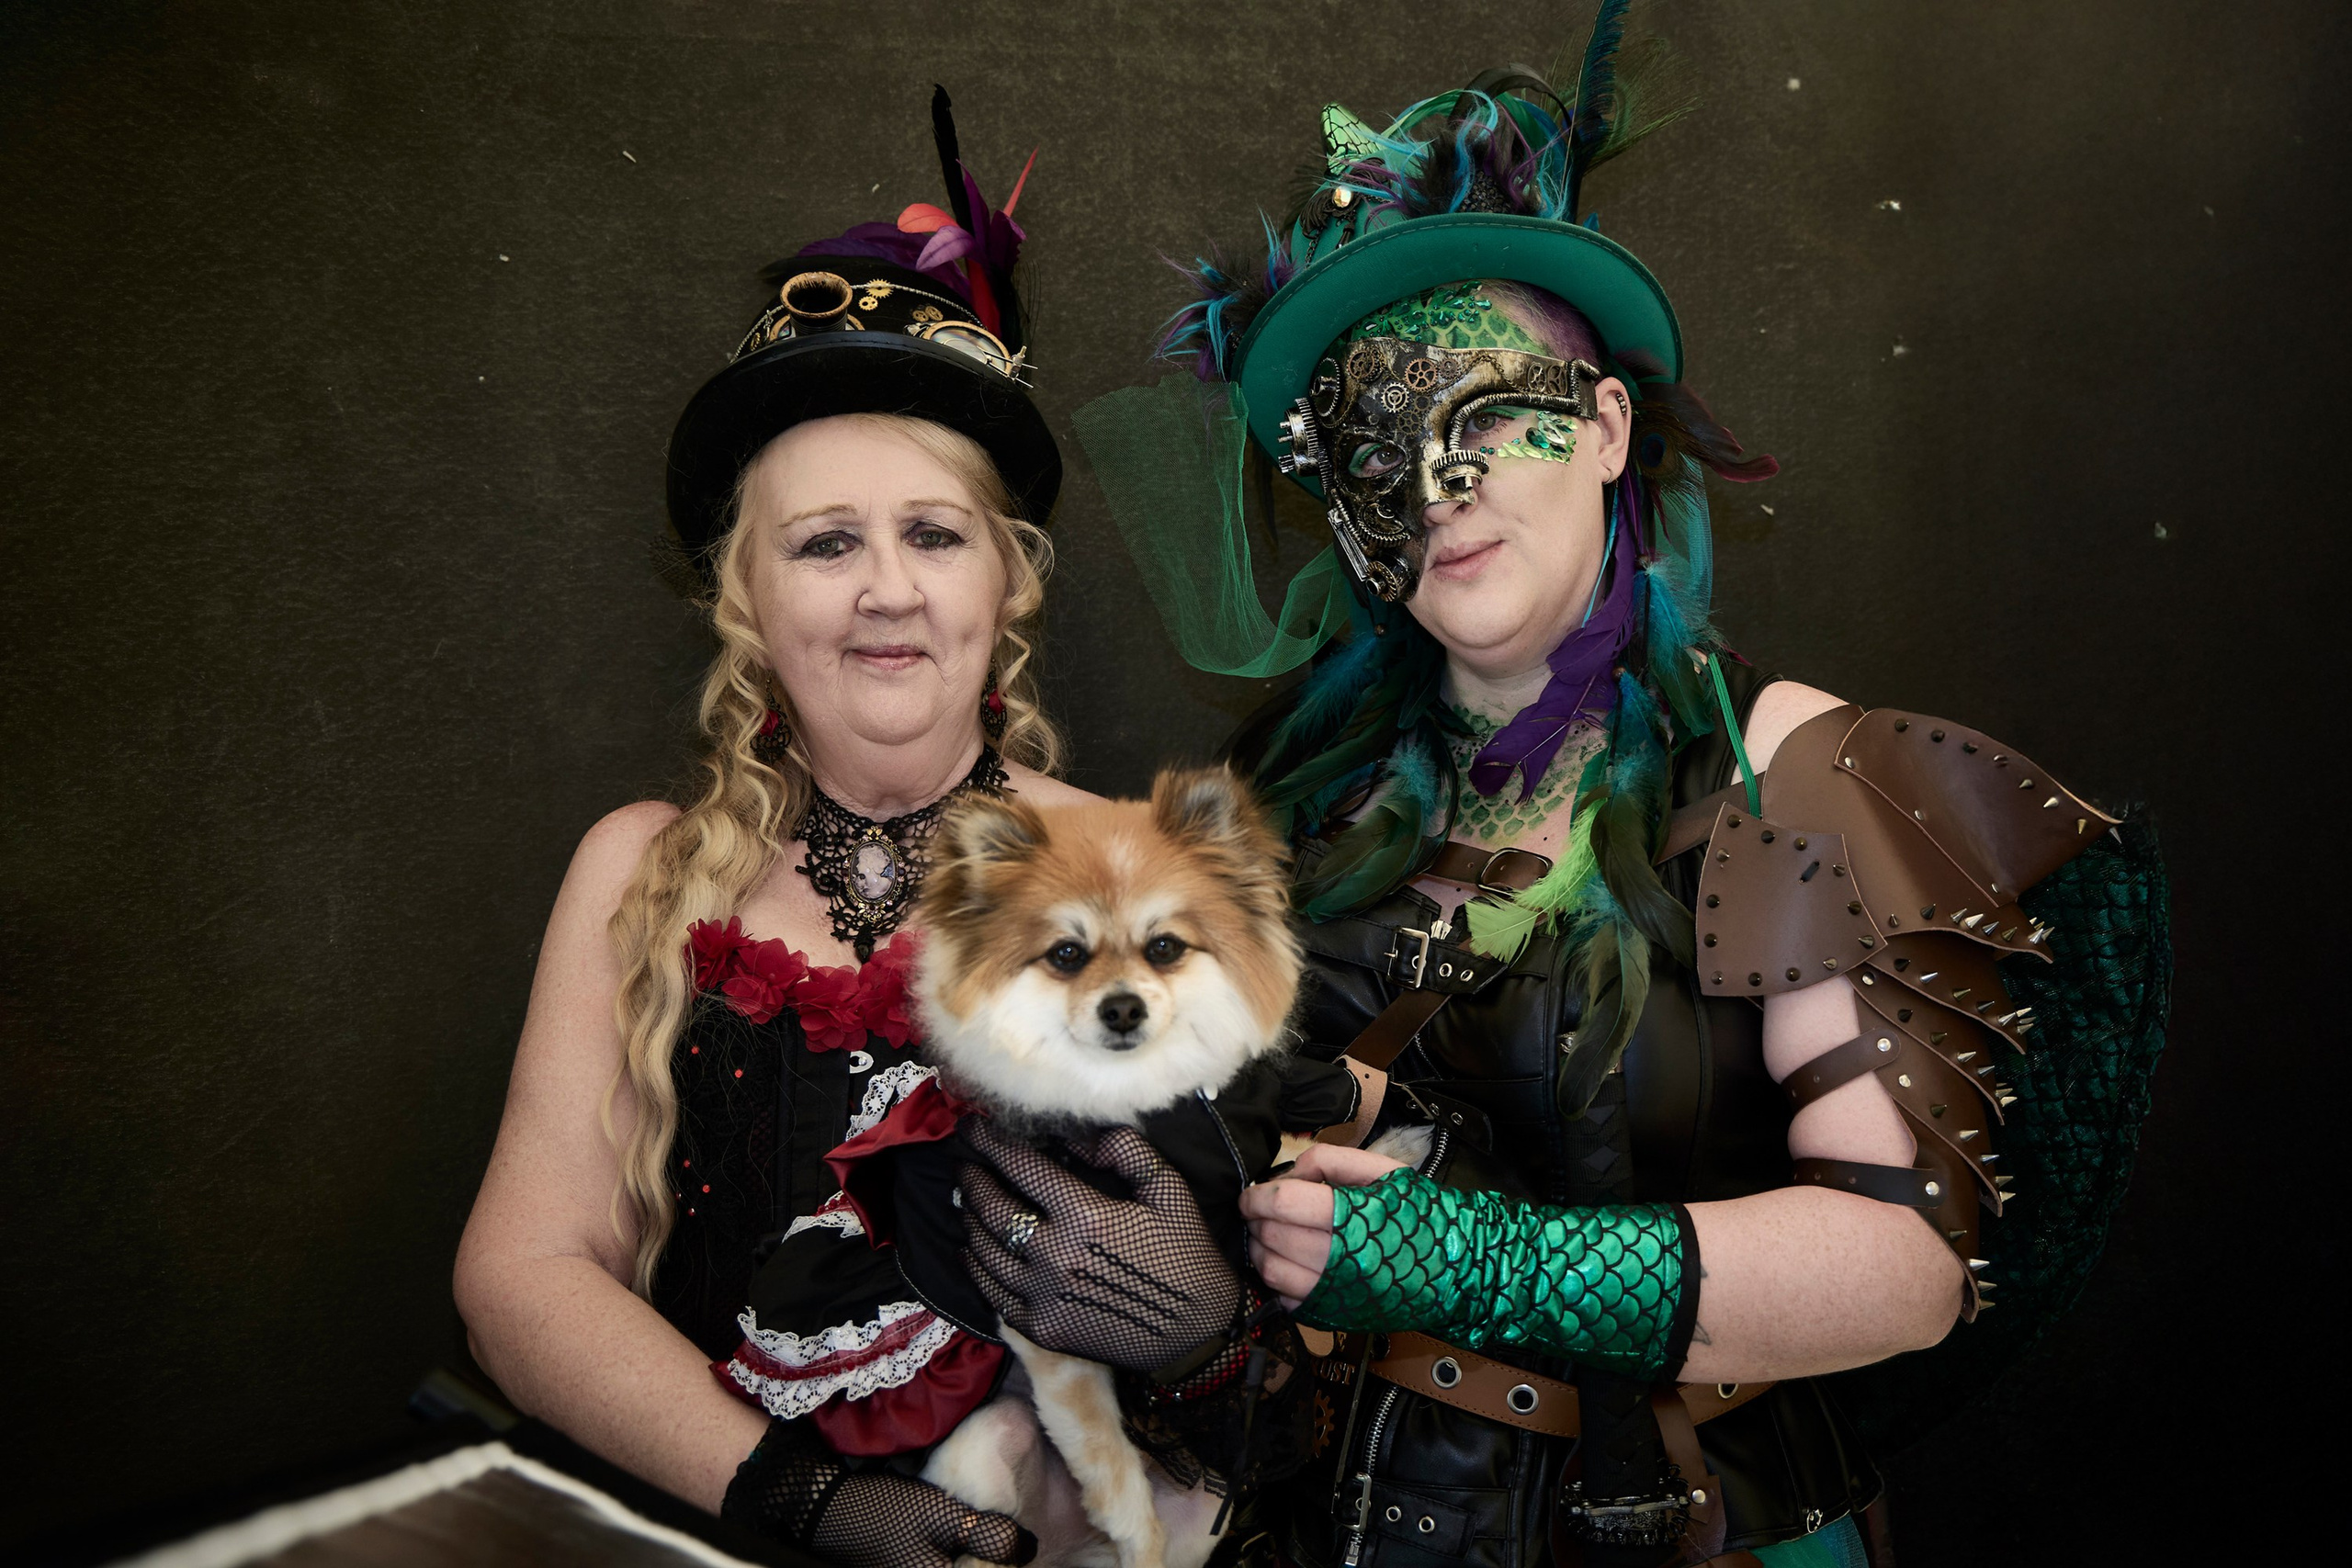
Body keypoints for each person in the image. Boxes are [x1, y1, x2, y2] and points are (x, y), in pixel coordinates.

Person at [983, 27, 2165, 1568]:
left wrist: (1477, 1261)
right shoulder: (1296, 798)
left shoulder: (1778, 768)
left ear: (1605, 428)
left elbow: (1906, 1266)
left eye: (1478, 415)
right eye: (1373, 455)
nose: (1435, 487)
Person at [453, 90, 1095, 1568]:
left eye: (933, 534)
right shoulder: (642, 874)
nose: (886, 587)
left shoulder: (1117, 862)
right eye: (825, 543)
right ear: (750, 605)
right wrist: (798, 1500)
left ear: (1004, 587)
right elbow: (525, 1272)